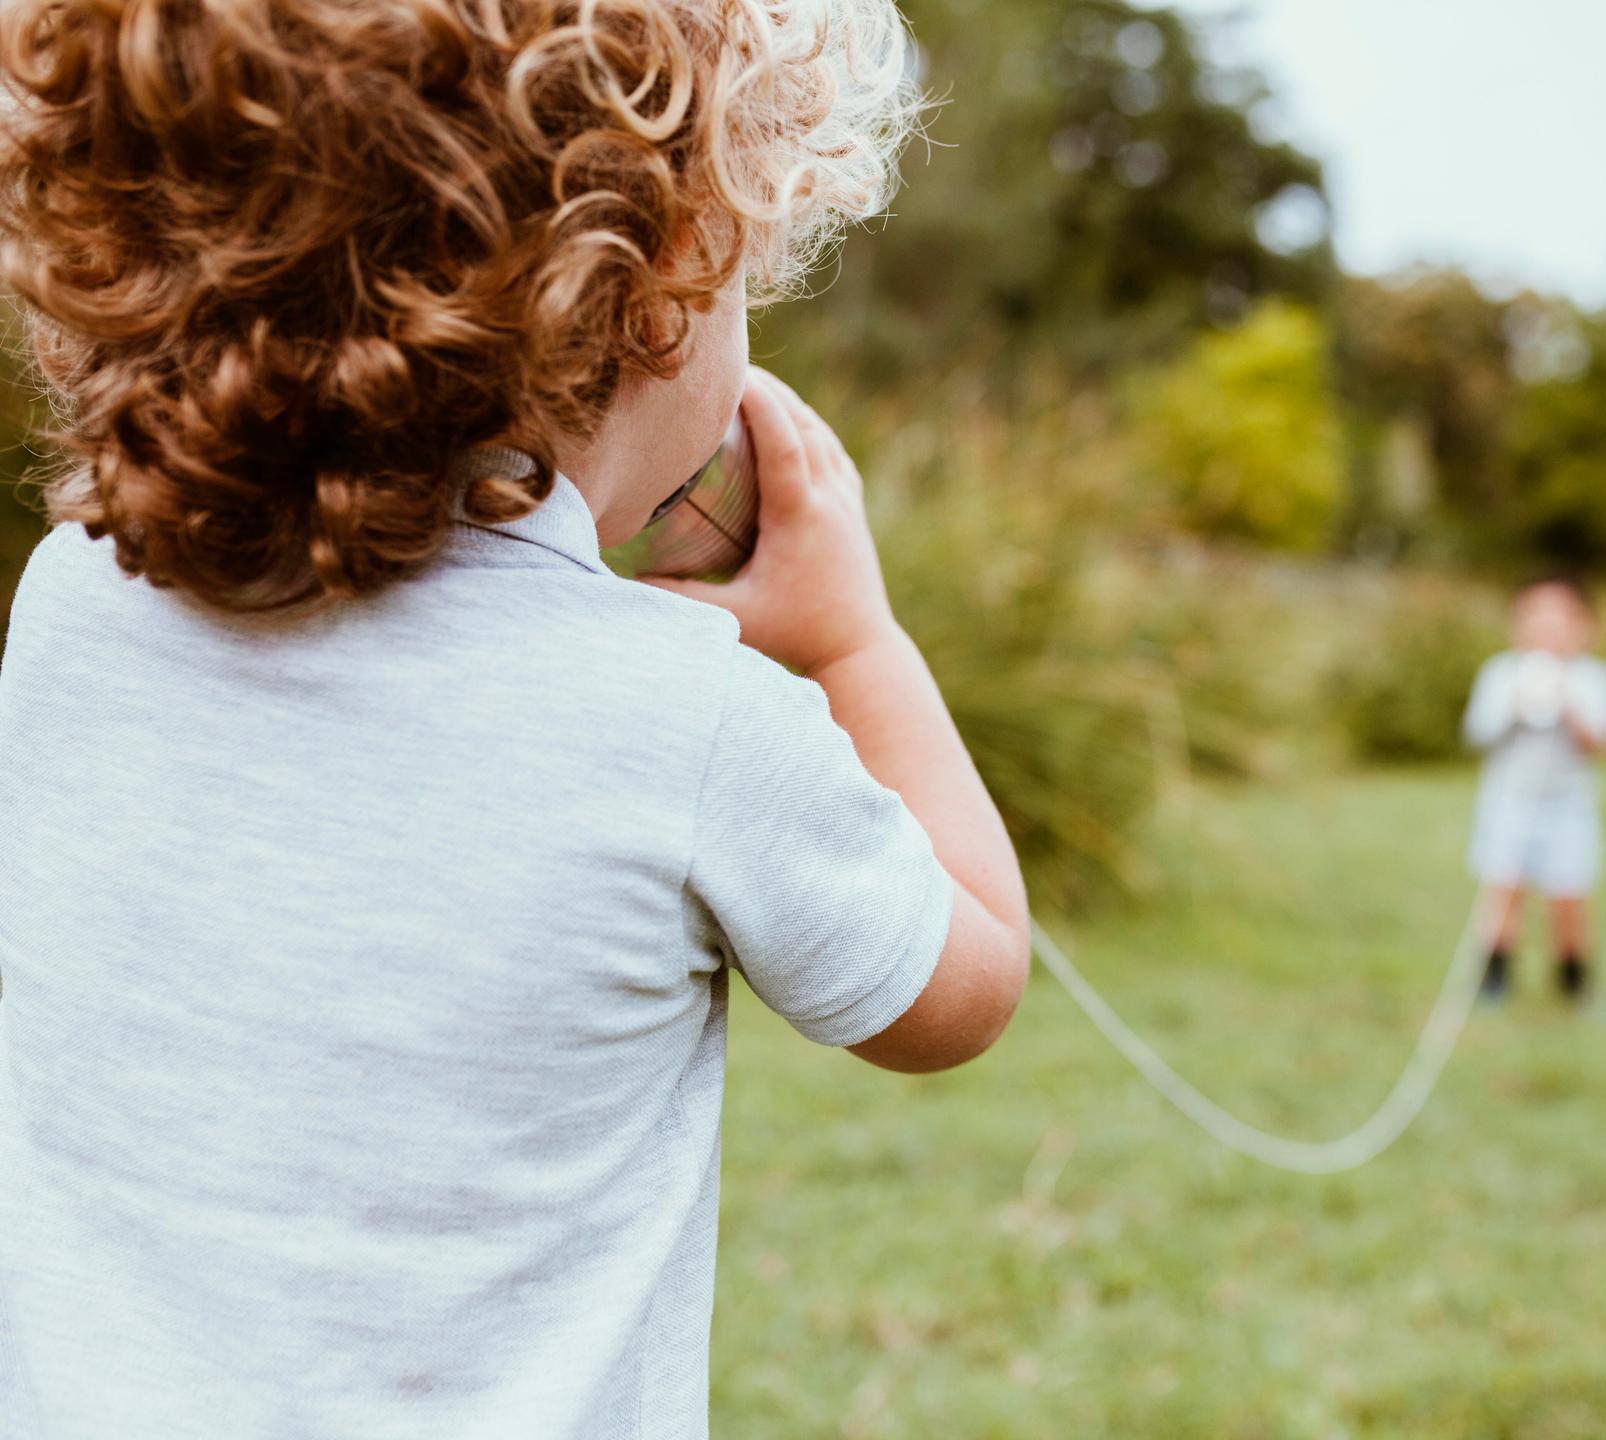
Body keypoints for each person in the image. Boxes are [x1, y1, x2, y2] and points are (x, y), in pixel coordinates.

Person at [0, 3, 1029, 1437]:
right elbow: (967, 983)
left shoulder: (70, 610)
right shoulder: (682, 717)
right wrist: (854, 640)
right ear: (667, 268)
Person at [1462, 575, 1606, 1003]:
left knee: (1569, 895)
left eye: (1559, 618)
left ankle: (1574, 980)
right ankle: (1494, 978)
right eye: (1536, 616)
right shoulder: (1501, 672)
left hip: (1568, 807)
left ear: (1583, 627)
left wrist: (1567, 702)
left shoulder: (1594, 678)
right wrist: (1518, 701)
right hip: (1508, 802)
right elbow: (1478, 734)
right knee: (1503, 889)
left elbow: (1604, 744)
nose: (1547, 628)